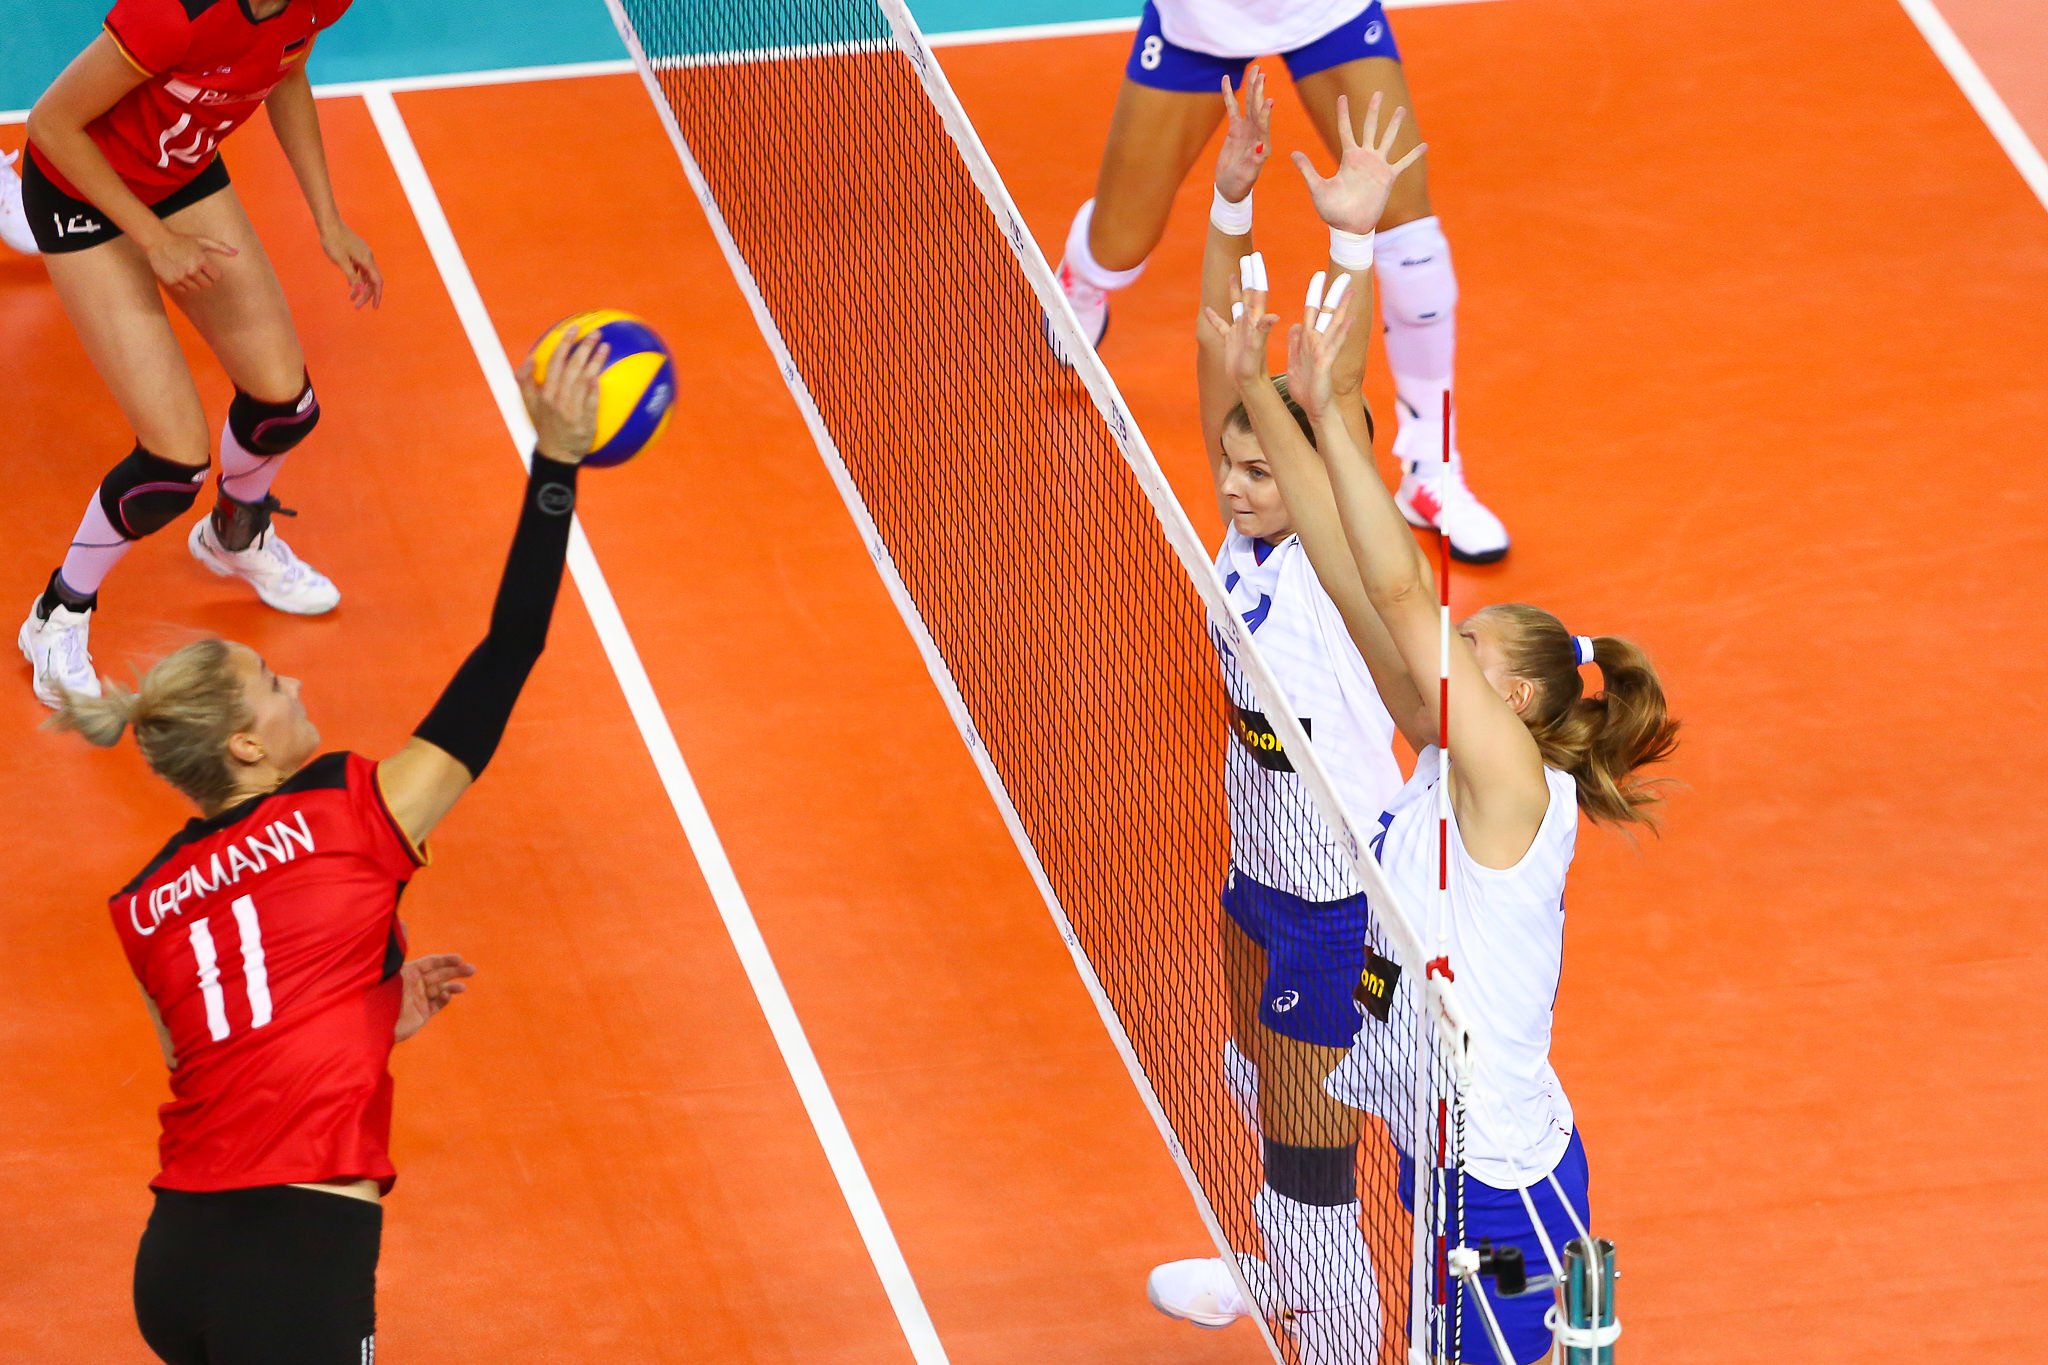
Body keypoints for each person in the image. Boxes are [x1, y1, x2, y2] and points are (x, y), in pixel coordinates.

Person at [1193, 118, 1681, 1361]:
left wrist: (1317, 402)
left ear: (1511, 698)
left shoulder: (1511, 786)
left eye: (1466, 649)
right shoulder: (1441, 756)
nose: (1437, 652)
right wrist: (1287, 401)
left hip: (1501, 1183)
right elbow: (1345, 549)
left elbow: (1402, 590)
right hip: (1437, 1140)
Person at [51, 331, 611, 1365]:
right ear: (246, 745)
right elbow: (510, 651)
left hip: (175, 1256)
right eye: (274, 684)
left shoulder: (144, 898)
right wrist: (556, 462)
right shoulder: (347, 817)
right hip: (295, 1253)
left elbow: (205, 1053)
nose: (299, 682)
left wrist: (368, 1015)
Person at [1142, 73, 1432, 1364]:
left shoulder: (1327, 554)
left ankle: (1337, 1331)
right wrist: (1232, 199)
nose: (1239, 481)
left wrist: (1351, 240)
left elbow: (1338, 377)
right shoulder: (1238, 534)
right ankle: (1281, 1264)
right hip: (1258, 870)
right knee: (1258, 1081)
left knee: (1316, 1156)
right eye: (1233, 462)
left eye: (1266, 467)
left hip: (1336, 897)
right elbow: (1223, 343)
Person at [16, 0, 384, 709]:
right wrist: (154, 240)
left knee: (284, 403)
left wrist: (328, 220)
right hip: (79, 193)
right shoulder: (172, 14)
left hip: (179, 176)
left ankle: (233, 535)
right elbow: (51, 125)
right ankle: (57, 615)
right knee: (172, 463)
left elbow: (286, 72)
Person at [1054, 0, 1509, 562]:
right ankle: (1084, 278)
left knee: (1414, 247)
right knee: (1119, 246)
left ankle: (1432, 469)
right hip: (1202, 20)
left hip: (1324, 10)